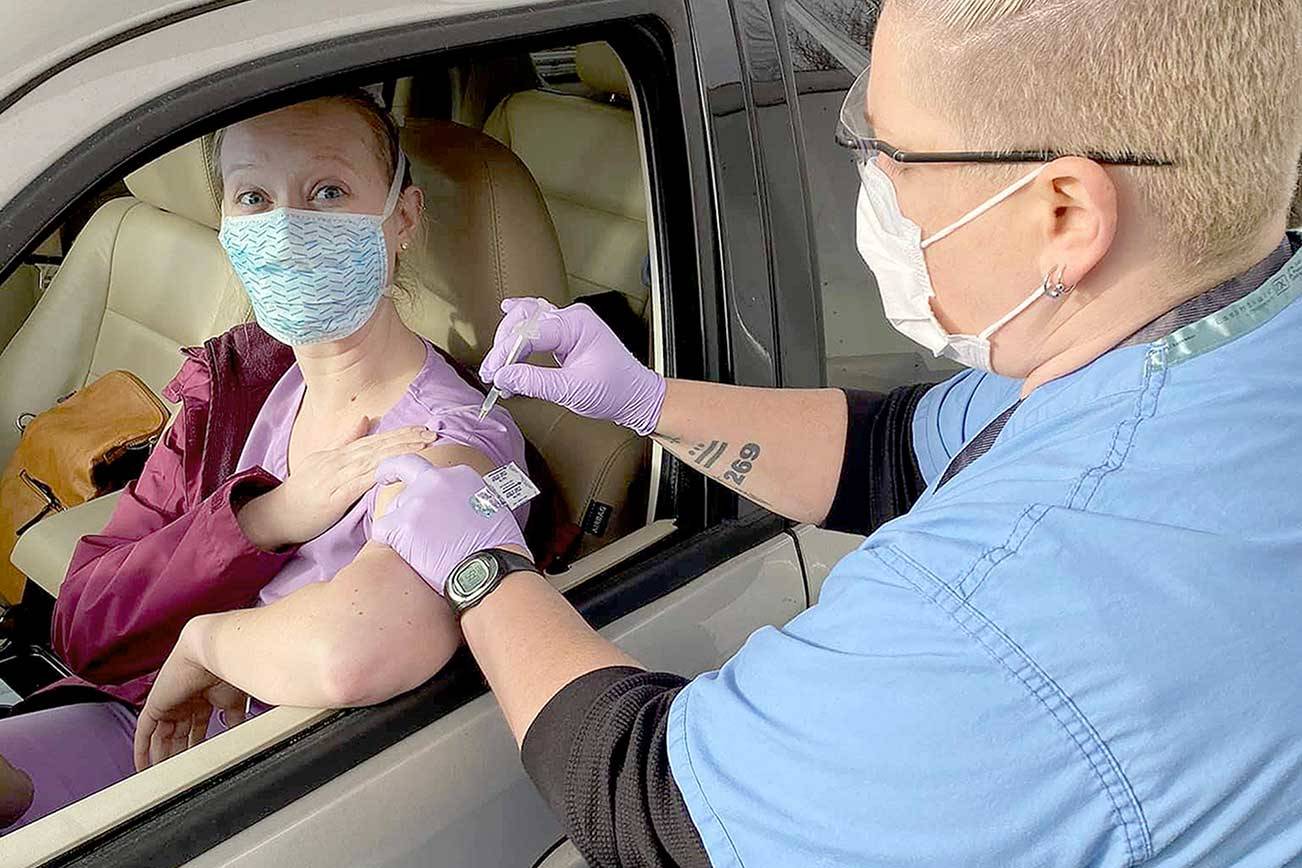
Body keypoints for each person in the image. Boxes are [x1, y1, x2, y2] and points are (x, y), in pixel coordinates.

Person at [146, 1, 1302, 865]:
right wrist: (649, 402)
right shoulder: (1222, 335)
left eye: (893, 155)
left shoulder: (1003, 613)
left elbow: (656, 811)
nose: (876, 190)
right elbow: (896, 451)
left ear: (1064, 213)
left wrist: (484, 566)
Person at [0, 91, 529, 833]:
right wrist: (262, 517)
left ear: (402, 220)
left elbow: (361, 643)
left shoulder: (457, 435)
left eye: (328, 191)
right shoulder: (234, 389)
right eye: (254, 197)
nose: (285, 227)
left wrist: (204, 641)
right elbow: (85, 624)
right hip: (141, 734)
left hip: (264, 792)